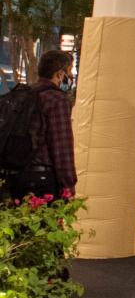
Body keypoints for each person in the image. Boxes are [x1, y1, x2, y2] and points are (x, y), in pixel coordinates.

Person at [11, 50, 76, 200]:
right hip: (41, 181)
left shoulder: (24, 94)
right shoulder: (56, 99)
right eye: (70, 70)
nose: (71, 76)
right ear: (60, 74)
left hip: (15, 177)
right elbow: (61, 147)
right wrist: (68, 186)